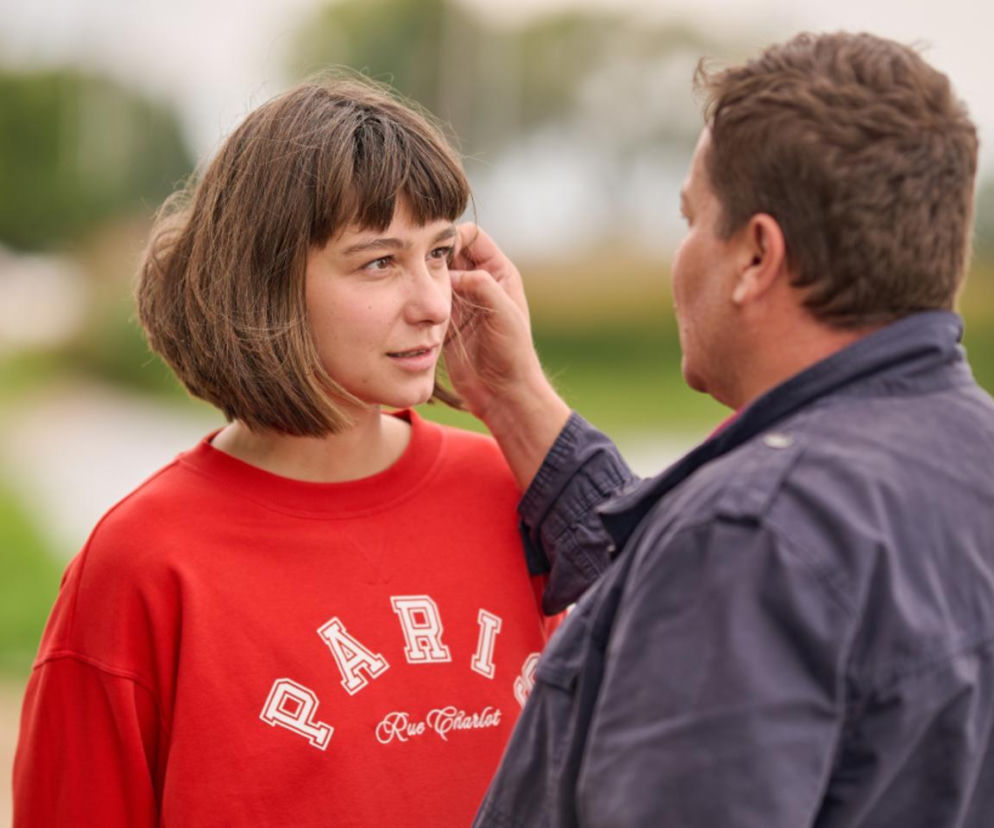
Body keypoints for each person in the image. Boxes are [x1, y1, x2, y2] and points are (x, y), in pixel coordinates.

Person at [445, 31, 994, 826]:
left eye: (692, 217)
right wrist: (517, 399)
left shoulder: (753, 536)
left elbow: (737, 585)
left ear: (756, 257)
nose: (681, 254)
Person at [12, 74, 556, 827]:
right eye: (379, 262)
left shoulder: (513, 493)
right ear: (265, 285)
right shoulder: (144, 562)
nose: (434, 302)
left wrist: (526, 400)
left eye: (438, 253)